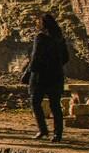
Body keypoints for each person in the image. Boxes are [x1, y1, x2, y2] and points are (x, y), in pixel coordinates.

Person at [23, 13, 70, 142]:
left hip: (40, 77)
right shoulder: (60, 38)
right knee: (55, 106)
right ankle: (57, 134)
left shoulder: (40, 38)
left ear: (42, 25)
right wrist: (55, 65)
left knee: (35, 102)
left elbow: (35, 57)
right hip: (56, 76)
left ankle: (43, 130)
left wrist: (30, 72)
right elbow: (66, 58)